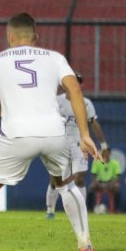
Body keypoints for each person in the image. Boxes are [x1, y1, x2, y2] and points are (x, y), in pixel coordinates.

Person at [0, 12, 101, 251]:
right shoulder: (55, 58)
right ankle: (85, 244)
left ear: (9, 36)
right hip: (54, 134)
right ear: (36, 36)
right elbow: (74, 89)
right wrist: (85, 134)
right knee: (66, 186)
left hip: (17, 135)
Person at [45, 71, 108, 219]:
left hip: (79, 144)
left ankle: (81, 210)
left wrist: (103, 145)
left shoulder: (85, 103)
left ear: (81, 85)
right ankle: (50, 210)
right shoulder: (56, 101)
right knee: (55, 180)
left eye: (78, 82)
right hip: (58, 143)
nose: (76, 84)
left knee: (79, 178)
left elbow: (94, 123)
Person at [88, 149, 121, 214]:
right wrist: (98, 184)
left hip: (111, 183)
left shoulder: (115, 163)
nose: (105, 155)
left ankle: (116, 210)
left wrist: (111, 184)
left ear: (110, 154)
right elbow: (93, 175)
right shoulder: (96, 162)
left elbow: (118, 177)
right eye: (103, 153)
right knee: (91, 188)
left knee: (117, 188)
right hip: (99, 183)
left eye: (107, 153)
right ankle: (90, 209)